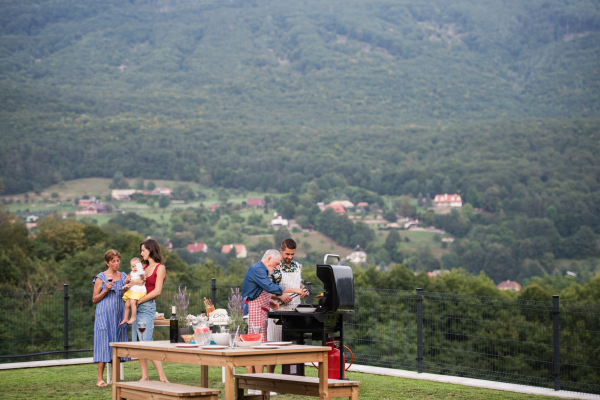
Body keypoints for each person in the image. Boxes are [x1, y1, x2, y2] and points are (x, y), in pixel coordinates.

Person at [241, 249, 306, 375]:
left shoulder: (263, 270)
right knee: (257, 347)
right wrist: (296, 291)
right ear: (269, 258)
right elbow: (270, 287)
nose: (277, 267)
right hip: (255, 311)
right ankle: (258, 382)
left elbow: (258, 290)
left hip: (260, 310)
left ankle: (255, 383)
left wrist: (269, 301)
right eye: (276, 264)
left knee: (255, 345)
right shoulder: (257, 270)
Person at [128, 238, 169, 383]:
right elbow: (136, 281)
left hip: (147, 306)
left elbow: (157, 291)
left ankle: (162, 377)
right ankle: (144, 376)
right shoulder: (142, 268)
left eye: (143, 250)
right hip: (136, 307)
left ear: (151, 250)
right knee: (139, 342)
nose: (141, 253)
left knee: (147, 341)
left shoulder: (160, 268)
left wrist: (139, 300)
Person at [267, 238, 308, 373]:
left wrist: (303, 290)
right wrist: (279, 296)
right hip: (278, 310)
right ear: (281, 251)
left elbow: (299, 285)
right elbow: (266, 290)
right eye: (287, 254)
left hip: (295, 310)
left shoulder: (297, 266)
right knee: (274, 346)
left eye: (292, 254)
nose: (290, 257)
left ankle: (293, 376)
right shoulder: (274, 267)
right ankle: (269, 377)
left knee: (294, 345)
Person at [92, 249, 131, 387]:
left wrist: (127, 287)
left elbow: (125, 296)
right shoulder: (100, 278)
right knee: (103, 343)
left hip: (119, 314)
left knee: (118, 343)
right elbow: (94, 299)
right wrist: (105, 289)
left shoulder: (123, 276)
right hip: (104, 315)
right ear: (107, 262)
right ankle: (99, 379)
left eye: (118, 260)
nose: (116, 263)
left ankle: (115, 379)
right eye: (113, 261)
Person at [120, 257, 147, 326]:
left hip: (139, 291)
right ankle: (125, 318)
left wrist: (140, 268)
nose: (135, 268)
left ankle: (133, 317)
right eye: (133, 266)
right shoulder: (132, 273)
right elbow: (128, 282)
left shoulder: (141, 272)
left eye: (136, 266)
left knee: (132, 302)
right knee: (126, 304)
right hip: (132, 291)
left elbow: (142, 277)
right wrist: (127, 280)